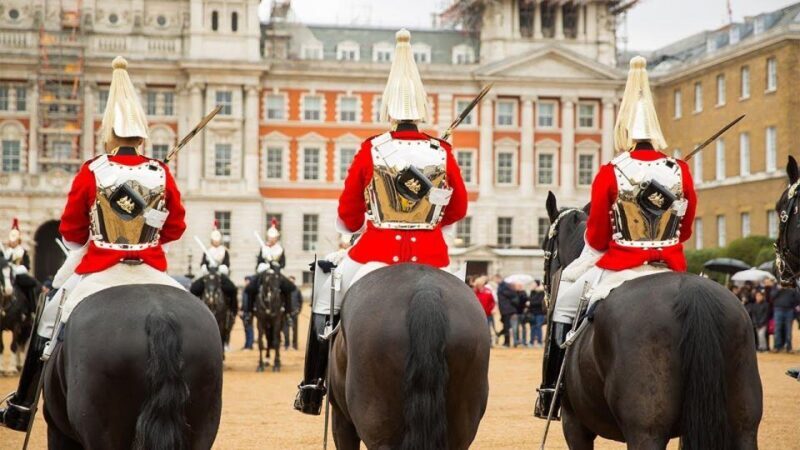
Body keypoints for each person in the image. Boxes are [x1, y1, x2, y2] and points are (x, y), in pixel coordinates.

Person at [0, 56, 186, 431]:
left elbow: (70, 233)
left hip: (99, 263)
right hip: (151, 264)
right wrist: (147, 215)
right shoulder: (159, 171)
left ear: (109, 134)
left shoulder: (92, 170)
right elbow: (175, 229)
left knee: (49, 311)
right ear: (141, 134)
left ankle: (22, 404)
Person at [293, 28, 468, 415]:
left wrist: (349, 229)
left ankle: (313, 385)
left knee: (326, 294)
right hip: (433, 256)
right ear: (421, 109)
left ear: (390, 110)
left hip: (375, 252)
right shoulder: (440, 151)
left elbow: (348, 211)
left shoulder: (373, 148)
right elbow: (458, 208)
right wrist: (432, 214)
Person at [535, 56, 697, 419]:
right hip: (671, 265)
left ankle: (553, 391)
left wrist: (586, 262)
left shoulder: (612, 171)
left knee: (564, 298)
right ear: (656, 131)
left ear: (623, 129)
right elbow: (685, 229)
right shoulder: (678, 170)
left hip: (621, 265)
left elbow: (596, 234)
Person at [244, 219, 295, 315]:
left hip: (276, 273)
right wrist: (265, 265)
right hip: (263, 272)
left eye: (273, 238)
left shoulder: (280, 249)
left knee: (289, 288)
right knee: (250, 288)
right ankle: (249, 312)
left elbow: (283, 263)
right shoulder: (263, 248)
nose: (271, 240)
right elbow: (259, 261)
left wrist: (275, 265)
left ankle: (288, 313)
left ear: (276, 239)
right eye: (270, 238)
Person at [190, 221, 239, 319]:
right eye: (214, 240)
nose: (216, 242)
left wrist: (220, 268)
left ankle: (233, 311)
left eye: (217, 240)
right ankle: (193, 312)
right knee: (194, 288)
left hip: (220, 276)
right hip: (208, 275)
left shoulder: (224, 251)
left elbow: (226, 264)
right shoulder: (207, 251)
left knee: (232, 289)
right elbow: (203, 263)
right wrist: (206, 268)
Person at [3, 218, 38, 312]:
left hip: (18, 274)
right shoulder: (6, 252)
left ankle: (31, 309)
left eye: (15, 241)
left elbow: (27, 266)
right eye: (11, 241)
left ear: (18, 240)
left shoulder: (22, 251)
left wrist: (16, 268)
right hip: (7, 274)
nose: (13, 242)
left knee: (30, 285)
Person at [771, 284, 800, 353]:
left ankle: (789, 347)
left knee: (788, 330)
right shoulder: (777, 286)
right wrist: (778, 289)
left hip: (789, 310)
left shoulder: (792, 286)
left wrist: (795, 306)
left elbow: (798, 298)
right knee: (777, 329)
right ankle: (777, 347)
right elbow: (772, 296)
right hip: (778, 309)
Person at [282, 275, 303, 351]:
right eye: (290, 281)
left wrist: (298, 310)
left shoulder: (297, 290)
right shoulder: (284, 290)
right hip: (286, 313)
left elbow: (300, 301)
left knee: (295, 330)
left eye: (292, 281)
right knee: (286, 330)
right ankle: (287, 345)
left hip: (294, 313)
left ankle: (294, 345)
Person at [473, 276, 496, 342]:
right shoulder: (474, 292)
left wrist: (493, 309)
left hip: (488, 314)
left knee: (488, 328)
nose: (480, 286)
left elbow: (492, 302)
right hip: (478, 315)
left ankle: (489, 341)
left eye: (481, 284)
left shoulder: (488, 291)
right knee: (478, 329)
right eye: (478, 285)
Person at [528, 280, 546, 347]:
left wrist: (531, 303)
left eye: (533, 283)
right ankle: (531, 342)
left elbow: (539, 302)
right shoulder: (532, 292)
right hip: (532, 312)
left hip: (539, 312)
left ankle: (539, 342)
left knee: (538, 327)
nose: (532, 284)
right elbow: (530, 300)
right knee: (532, 327)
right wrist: (531, 302)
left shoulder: (541, 292)